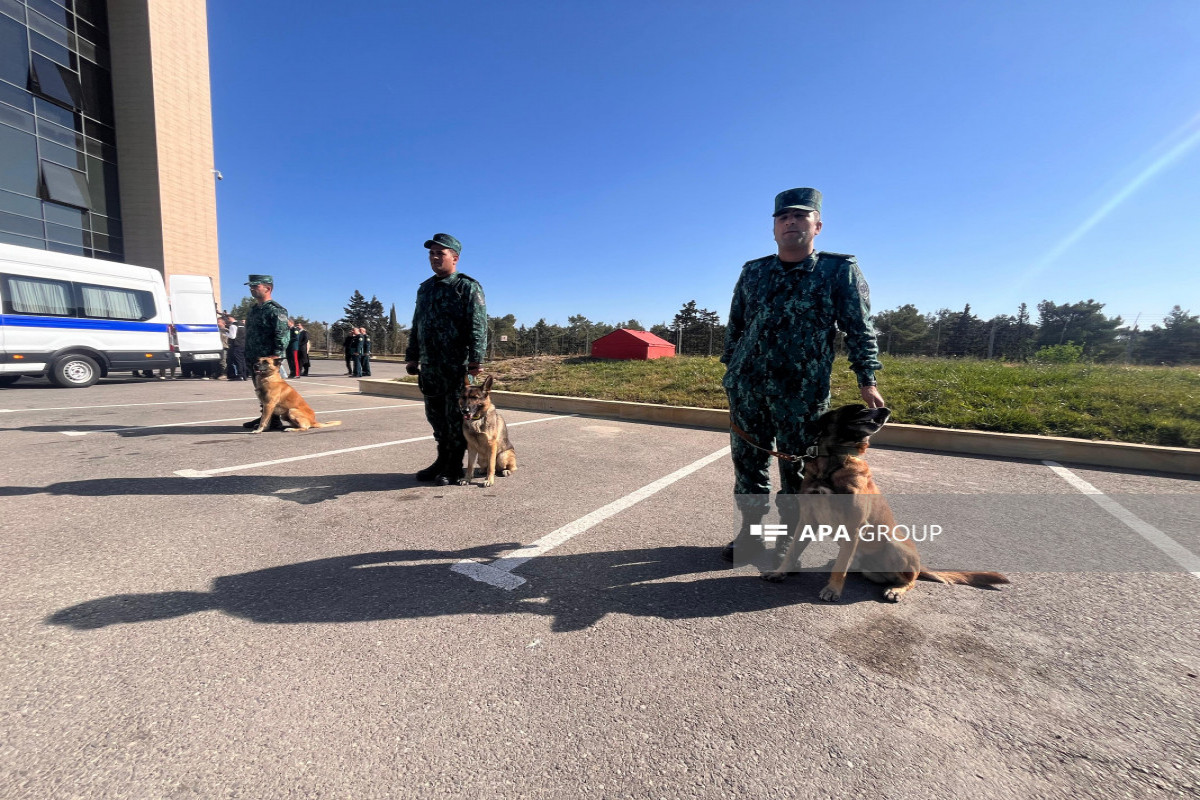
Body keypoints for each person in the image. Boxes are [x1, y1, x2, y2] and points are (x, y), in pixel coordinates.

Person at [720, 188, 884, 563]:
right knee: (749, 468)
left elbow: (860, 328)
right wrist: (731, 371)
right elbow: (736, 326)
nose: (790, 222)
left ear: (817, 225)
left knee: (797, 471)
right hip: (748, 389)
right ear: (774, 228)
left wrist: (867, 379)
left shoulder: (837, 270)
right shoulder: (754, 272)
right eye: (783, 218)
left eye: (800, 216)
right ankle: (751, 535)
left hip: (801, 392)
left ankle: (788, 543)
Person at [405, 233, 487, 485]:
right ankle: (442, 460)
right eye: (431, 253)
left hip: (457, 364)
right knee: (436, 416)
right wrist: (412, 356)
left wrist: (476, 358)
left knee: (456, 417)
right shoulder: (425, 288)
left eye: (440, 253)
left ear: (455, 257)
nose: (434, 257)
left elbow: (478, 323)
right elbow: (417, 323)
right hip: (430, 365)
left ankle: (454, 466)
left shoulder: (467, 286)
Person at [241, 274, 291, 429]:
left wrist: (277, 353)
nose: (252, 289)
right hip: (254, 356)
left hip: (268, 357)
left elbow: (282, 333)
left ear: (268, 288)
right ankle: (265, 415)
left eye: (256, 286)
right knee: (260, 389)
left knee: (270, 389)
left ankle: (274, 420)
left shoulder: (276, 310)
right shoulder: (254, 310)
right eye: (251, 286)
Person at [226, 315, 247, 380]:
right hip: (243, 344)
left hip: (237, 345)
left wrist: (227, 333)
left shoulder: (233, 325)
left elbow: (232, 336)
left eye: (227, 319)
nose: (226, 321)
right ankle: (244, 375)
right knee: (243, 361)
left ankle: (240, 375)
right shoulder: (242, 324)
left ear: (229, 318)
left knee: (238, 361)